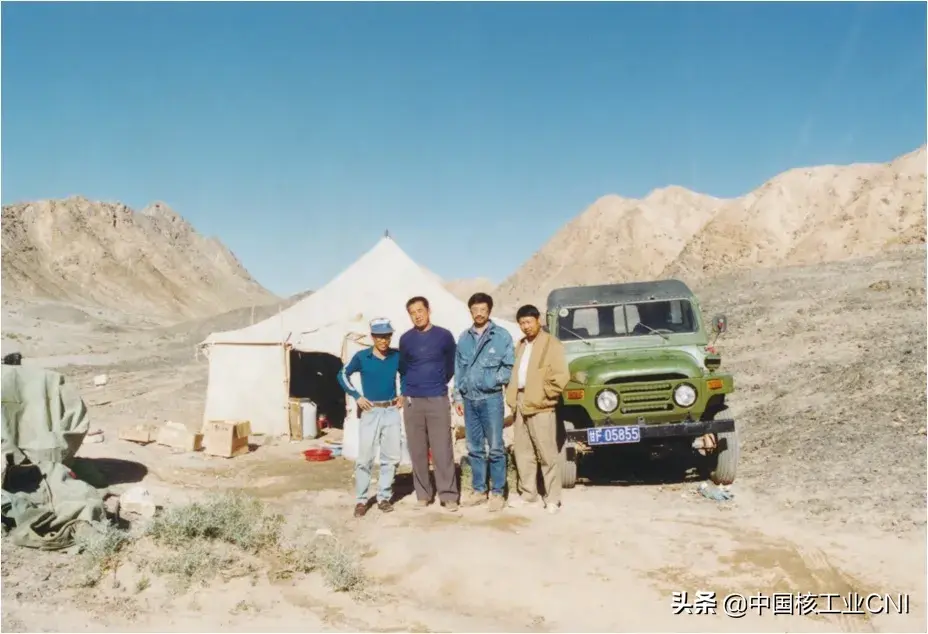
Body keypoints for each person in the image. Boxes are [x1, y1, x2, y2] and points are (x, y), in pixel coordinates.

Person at [504, 304, 570, 514]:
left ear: (538, 320)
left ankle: (553, 498)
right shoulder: (521, 344)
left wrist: (546, 395)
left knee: (547, 452)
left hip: (541, 404)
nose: (526, 326)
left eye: (529, 322)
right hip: (521, 400)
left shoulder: (552, 344)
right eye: (522, 323)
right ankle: (529, 494)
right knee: (523, 451)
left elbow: (561, 375)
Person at [337, 317, 405, 518]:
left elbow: (408, 374)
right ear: (373, 337)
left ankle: (384, 497)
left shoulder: (396, 356)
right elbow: (342, 375)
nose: (384, 341)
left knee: (391, 457)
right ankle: (361, 500)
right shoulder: (362, 357)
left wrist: (405, 392)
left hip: (391, 410)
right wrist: (357, 396)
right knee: (365, 457)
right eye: (380, 337)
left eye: (387, 336)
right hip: (371, 411)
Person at [453, 292, 514, 511]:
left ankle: (497, 492)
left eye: (483, 309)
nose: (479, 313)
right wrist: (457, 397)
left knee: (496, 447)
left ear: (489, 311)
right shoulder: (463, 338)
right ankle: (479, 489)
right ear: (470, 311)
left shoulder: (501, 336)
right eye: (475, 310)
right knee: (475, 447)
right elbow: (458, 369)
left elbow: (508, 366)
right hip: (469, 400)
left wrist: (493, 380)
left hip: (491, 399)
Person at [399, 296, 460, 512]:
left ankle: (448, 495)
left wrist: (437, 382)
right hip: (412, 400)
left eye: (420, 310)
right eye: (412, 312)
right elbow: (404, 368)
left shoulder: (443, 336)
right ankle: (423, 494)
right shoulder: (405, 339)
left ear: (429, 310)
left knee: (442, 448)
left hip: (437, 397)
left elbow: (451, 365)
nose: (417, 315)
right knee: (417, 449)